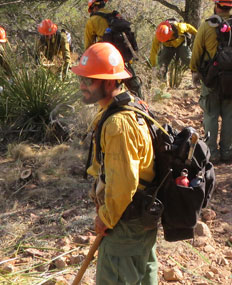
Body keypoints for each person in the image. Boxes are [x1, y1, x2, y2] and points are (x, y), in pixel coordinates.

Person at [73, 42, 158, 285]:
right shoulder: (132, 105)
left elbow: (124, 182)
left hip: (124, 221)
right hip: (141, 217)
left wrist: (106, 217)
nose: (82, 86)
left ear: (110, 82)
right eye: (82, 79)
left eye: (89, 81)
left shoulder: (117, 125)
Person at [190, 0, 232, 163]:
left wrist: (194, 71)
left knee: (210, 114)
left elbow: (197, 51)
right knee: (229, 115)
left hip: (211, 79)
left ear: (217, 5)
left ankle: (211, 154)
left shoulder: (206, 27)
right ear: (231, 6)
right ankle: (227, 152)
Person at [85, 0, 143, 98]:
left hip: (107, 58)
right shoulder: (116, 14)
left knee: (108, 86)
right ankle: (141, 104)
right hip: (124, 54)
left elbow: (88, 45)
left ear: (93, 7)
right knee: (131, 81)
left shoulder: (92, 21)